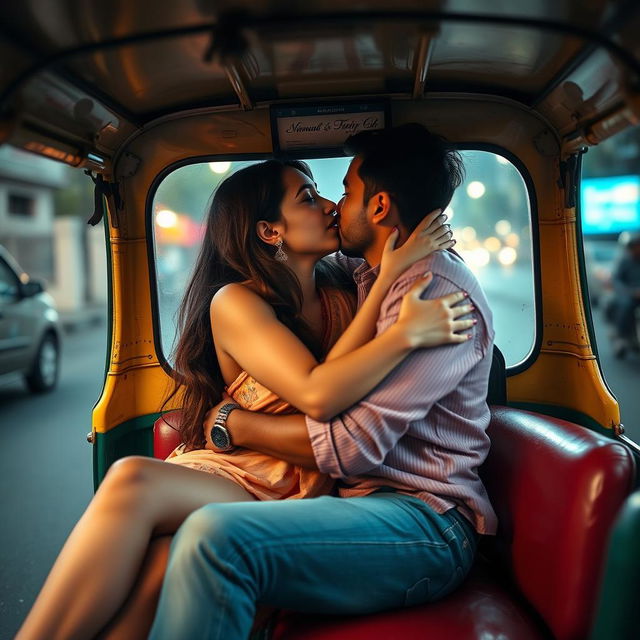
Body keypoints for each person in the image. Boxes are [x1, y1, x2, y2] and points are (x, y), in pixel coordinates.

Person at [16, 156, 469, 640]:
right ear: (271, 232)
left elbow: (390, 253)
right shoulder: (236, 301)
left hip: (305, 482)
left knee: (165, 558)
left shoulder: (346, 284)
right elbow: (318, 390)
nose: (330, 206)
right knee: (131, 479)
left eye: (325, 193)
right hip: (248, 473)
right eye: (307, 198)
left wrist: (405, 256)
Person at [147, 123, 497, 640]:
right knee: (163, 546)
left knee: (214, 536)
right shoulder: (364, 275)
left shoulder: (431, 294)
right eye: (319, 196)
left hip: (426, 522)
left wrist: (232, 423)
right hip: (356, 504)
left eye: (347, 191)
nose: (335, 204)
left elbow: (350, 446)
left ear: (378, 208)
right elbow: (288, 272)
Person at [611, 232, 640, 358]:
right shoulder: (625, 261)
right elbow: (616, 280)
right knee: (626, 305)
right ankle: (621, 336)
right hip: (630, 295)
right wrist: (630, 291)